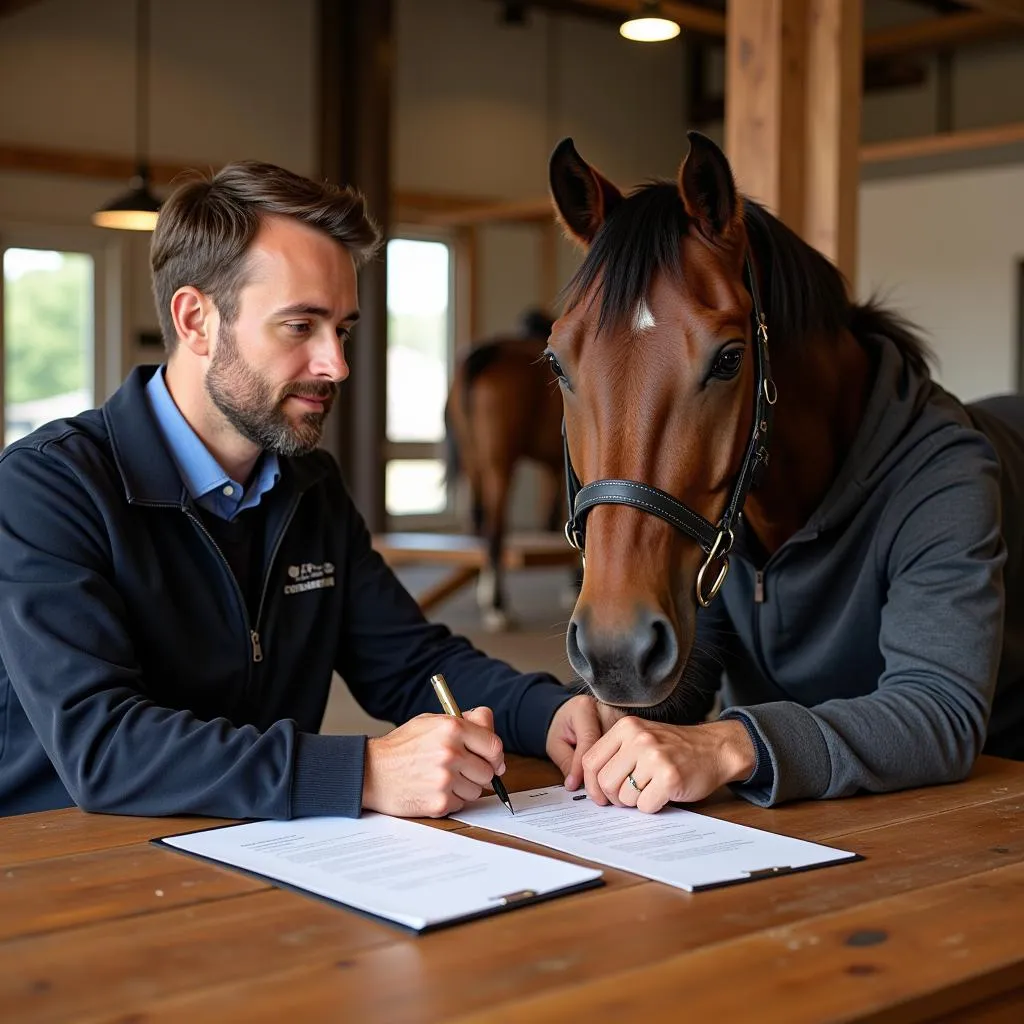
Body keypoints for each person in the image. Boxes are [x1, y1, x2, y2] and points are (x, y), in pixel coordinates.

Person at [0, 161, 604, 819]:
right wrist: (364, 773)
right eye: (300, 326)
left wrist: (549, 712)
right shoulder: (46, 489)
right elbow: (105, 748)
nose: (336, 365)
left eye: (342, 329)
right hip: (72, 871)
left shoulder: (308, 485)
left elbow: (408, 662)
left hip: (262, 855)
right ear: (196, 320)